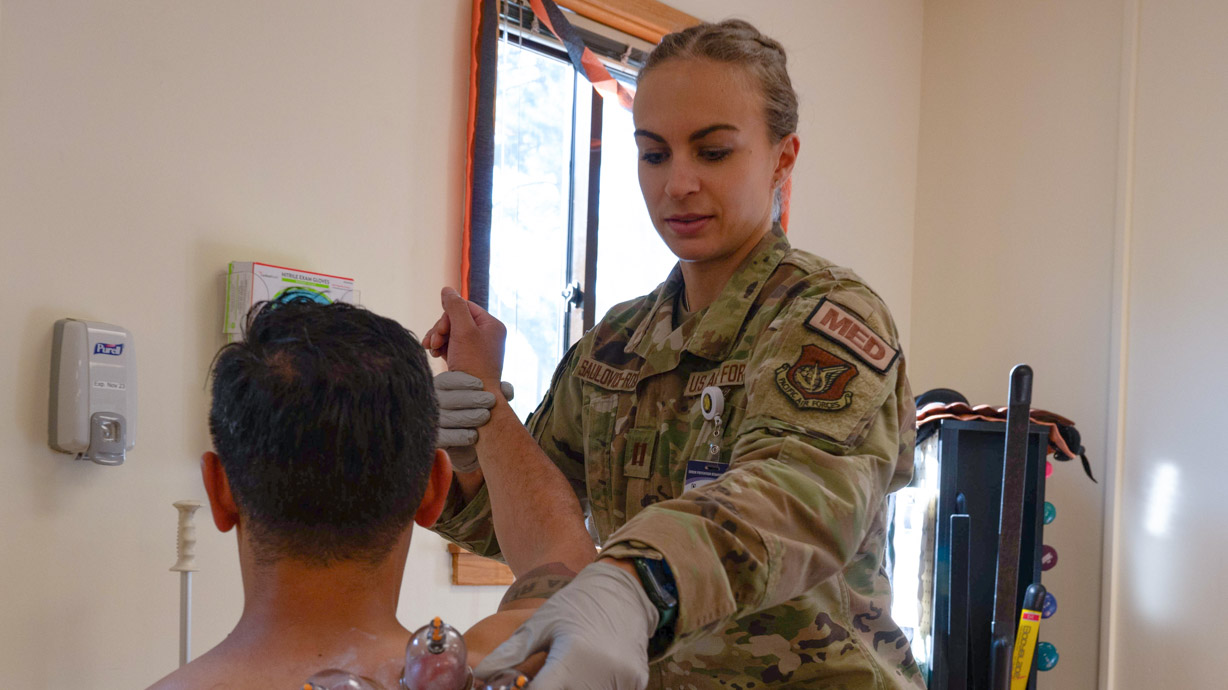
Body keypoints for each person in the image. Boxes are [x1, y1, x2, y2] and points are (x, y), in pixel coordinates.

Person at [426, 18, 923, 690]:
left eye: (713, 152)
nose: (677, 183)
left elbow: (799, 496)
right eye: (654, 154)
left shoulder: (825, 318)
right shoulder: (613, 348)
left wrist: (633, 583)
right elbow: (523, 530)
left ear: (782, 158)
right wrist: (472, 447)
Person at [147, 300, 585, 690]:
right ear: (433, 490)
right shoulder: (500, 670)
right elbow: (566, 561)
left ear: (219, 491)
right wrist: (484, 389)